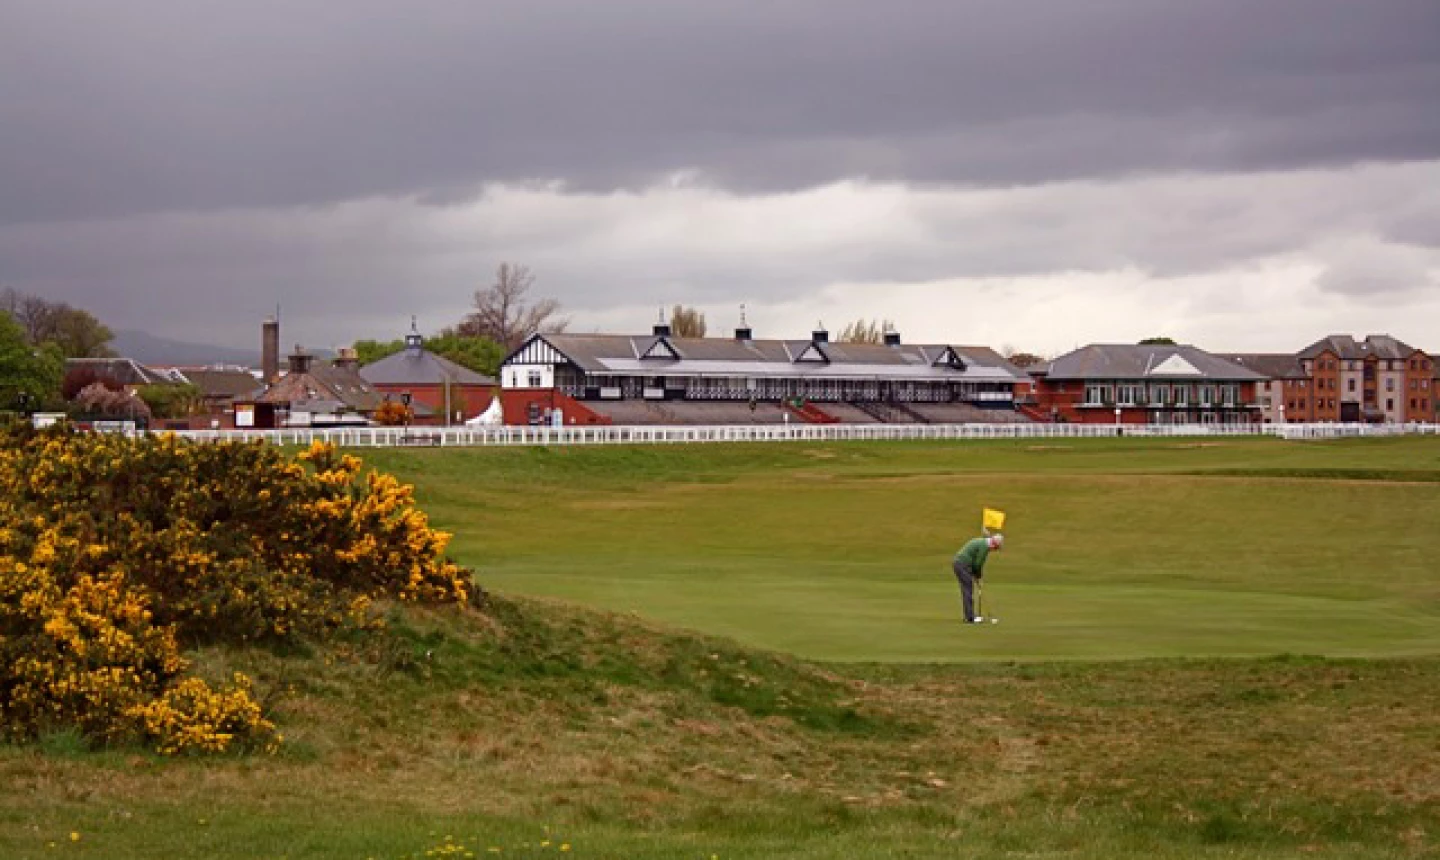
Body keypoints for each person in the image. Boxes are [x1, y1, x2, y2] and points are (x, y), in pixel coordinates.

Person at [952, 532, 1003, 623]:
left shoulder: (983, 543)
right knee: (968, 589)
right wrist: (978, 576)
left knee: (967, 588)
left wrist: (976, 574)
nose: (994, 550)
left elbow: (976, 563)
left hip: (961, 563)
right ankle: (970, 617)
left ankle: (969, 616)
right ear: (993, 543)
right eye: (996, 548)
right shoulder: (985, 547)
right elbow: (978, 564)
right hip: (962, 564)